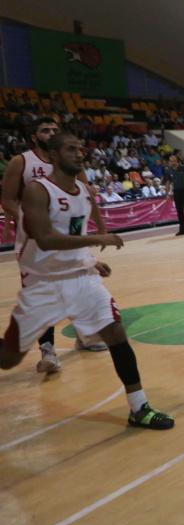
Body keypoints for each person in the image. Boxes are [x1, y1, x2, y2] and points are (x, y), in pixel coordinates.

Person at [0, 132, 174, 429]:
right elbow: (45, 239)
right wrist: (99, 239)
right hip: (44, 283)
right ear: (53, 156)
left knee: (116, 332)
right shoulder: (37, 190)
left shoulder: (82, 191)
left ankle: (139, 407)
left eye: (80, 149)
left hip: (80, 278)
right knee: (9, 359)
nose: (79, 154)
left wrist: (90, 261)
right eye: (71, 149)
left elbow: (73, 233)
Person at [1, 116, 109, 370]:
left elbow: (87, 194)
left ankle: (84, 335)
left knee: (80, 282)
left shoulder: (69, 159)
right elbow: (7, 199)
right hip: (36, 241)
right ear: (34, 137)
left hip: (70, 233)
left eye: (54, 129)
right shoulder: (21, 162)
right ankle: (47, 350)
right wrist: (29, 219)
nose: (50, 133)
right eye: (45, 130)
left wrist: (100, 226)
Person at [165, 154, 184, 235]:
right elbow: (168, 182)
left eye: (173, 161)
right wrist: (167, 193)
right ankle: (182, 230)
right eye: (170, 161)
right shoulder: (168, 170)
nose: (172, 162)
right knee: (179, 210)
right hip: (176, 191)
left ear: (176, 161)